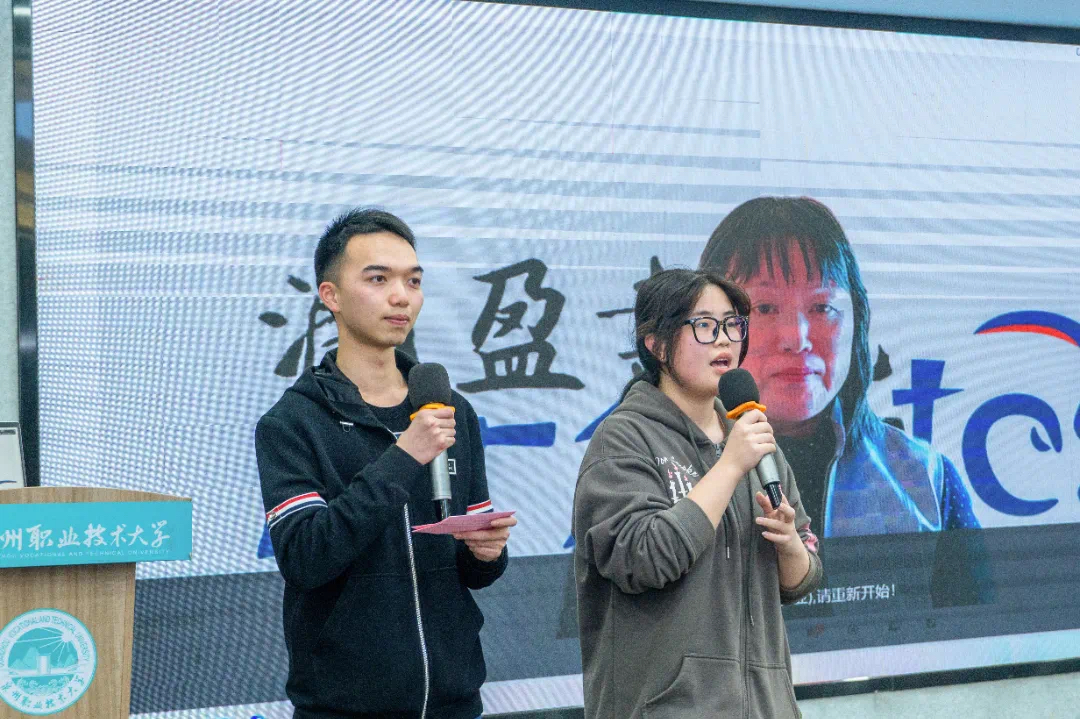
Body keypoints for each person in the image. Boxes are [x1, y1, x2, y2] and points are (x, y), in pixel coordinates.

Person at [256, 208, 516, 719]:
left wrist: (487, 554)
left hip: (454, 703)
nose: (402, 297)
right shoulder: (294, 422)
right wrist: (403, 458)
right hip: (343, 708)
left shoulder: (449, 409)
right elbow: (306, 557)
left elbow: (473, 572)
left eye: (413, 281)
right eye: (379, 279)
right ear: (331, 295)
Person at [573, 268, 823, 719]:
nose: (724, 339)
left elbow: (801, 578)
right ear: (656, 344)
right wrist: (729, 466)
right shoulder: (623, 438)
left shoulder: (751, 436)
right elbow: (643, 559)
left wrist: (789, 544)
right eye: (705, 325)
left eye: (732, 325)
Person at [700, 196, 980, 537]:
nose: (797, 337)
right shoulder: (658, 461)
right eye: (765, 308)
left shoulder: (926, 478)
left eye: (822, 308)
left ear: (857, 323)